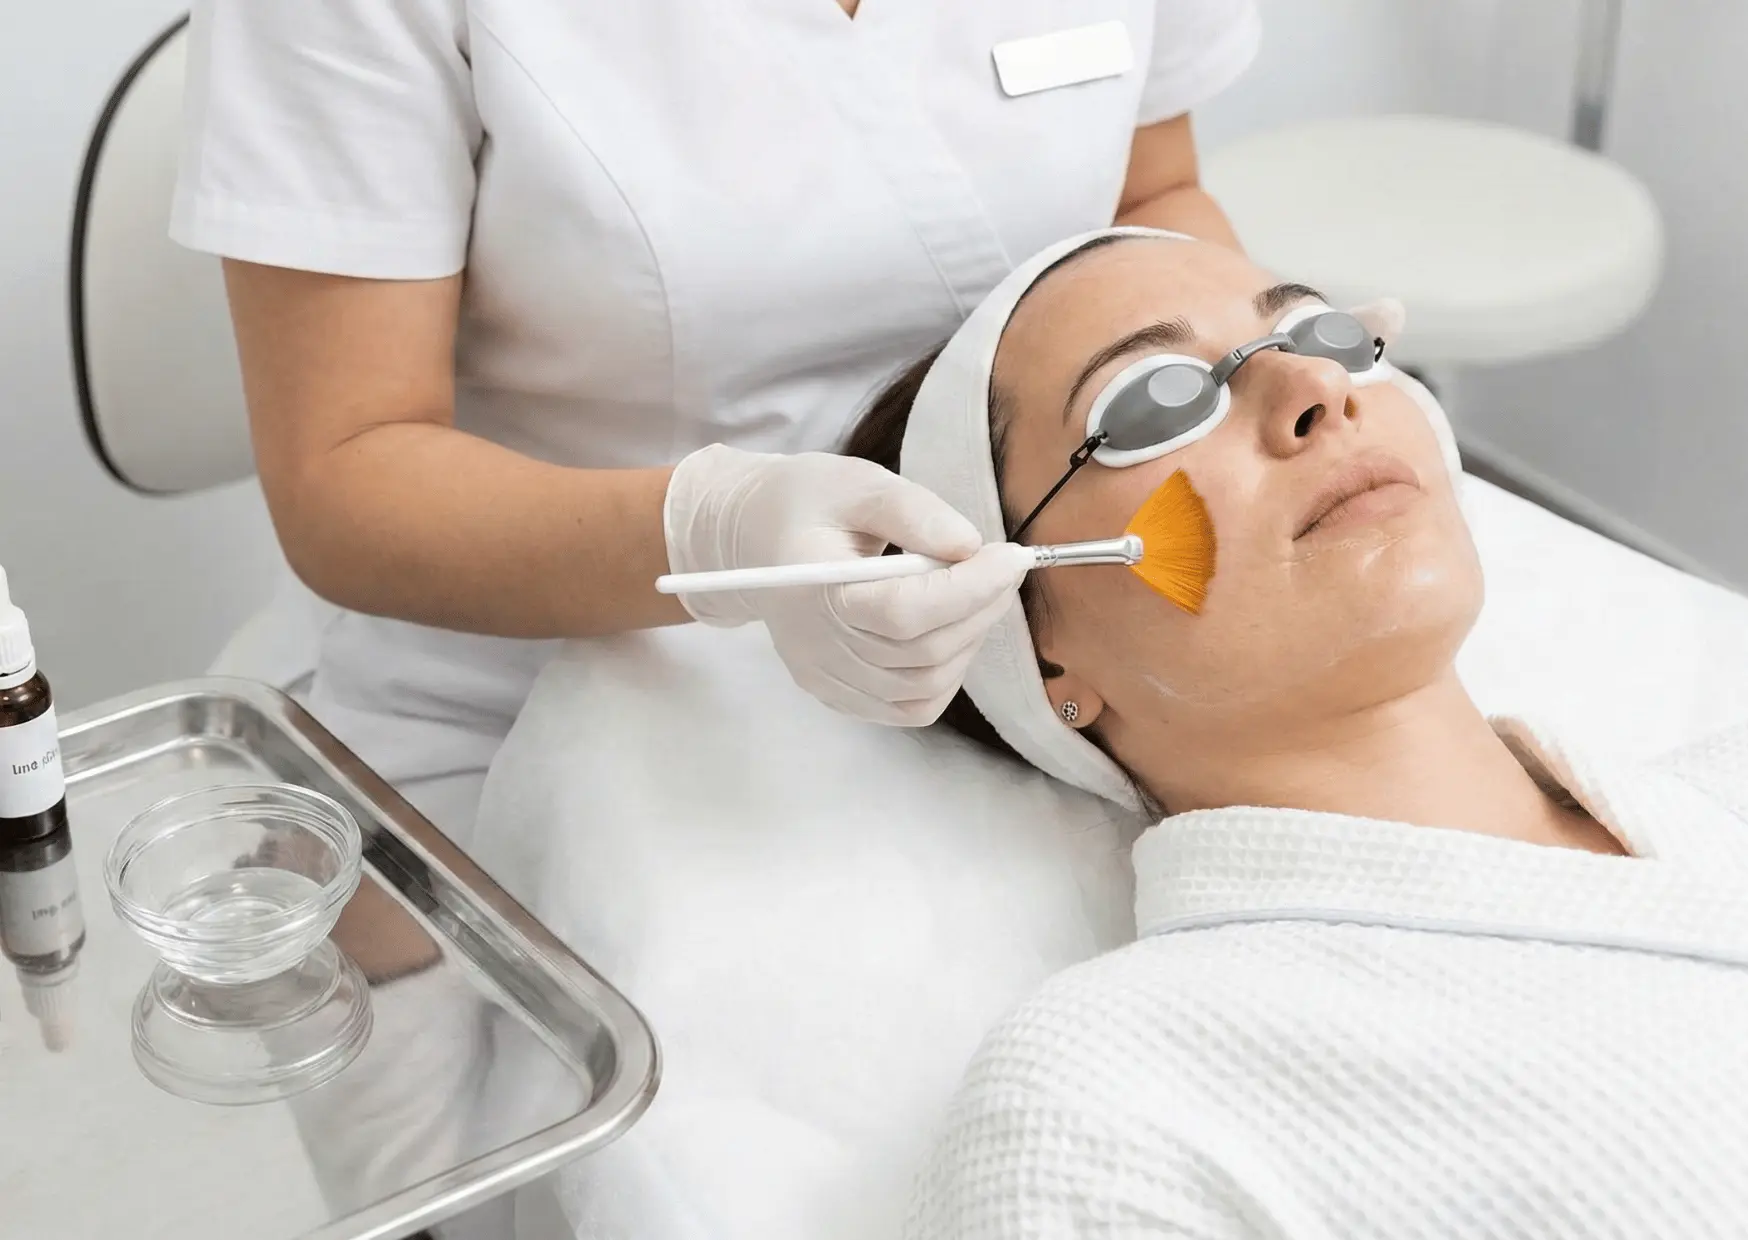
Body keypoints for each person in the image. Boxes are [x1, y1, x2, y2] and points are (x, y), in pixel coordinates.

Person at [171, 0, 1261, 844]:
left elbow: (1150, 199)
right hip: (548, 679)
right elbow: (345, 474)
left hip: (1054, 632)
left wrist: (1247, 346)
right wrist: (717, 534)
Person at [840, 227, 1748, 1237]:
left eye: (1319, 331)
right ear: (1038, 645)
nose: (1313, 385)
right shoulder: (1110, 1100)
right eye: (1148, 402)